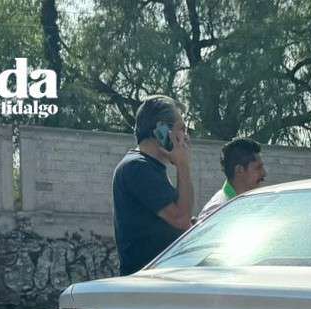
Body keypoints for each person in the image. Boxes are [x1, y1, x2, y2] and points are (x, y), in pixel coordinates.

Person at [112, 95, 195, 276]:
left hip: (155, 282)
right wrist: (183, 165)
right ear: (161, 130)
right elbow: (181, 219)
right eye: (182, 129)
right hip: (144, 285)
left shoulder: (150, 168)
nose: (186, 137)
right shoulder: (137, 168)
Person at [198, 137, 266, 220]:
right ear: (239, 170)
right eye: (258, 167)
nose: (264, 173)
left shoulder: (246, 202)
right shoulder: (217, 211)